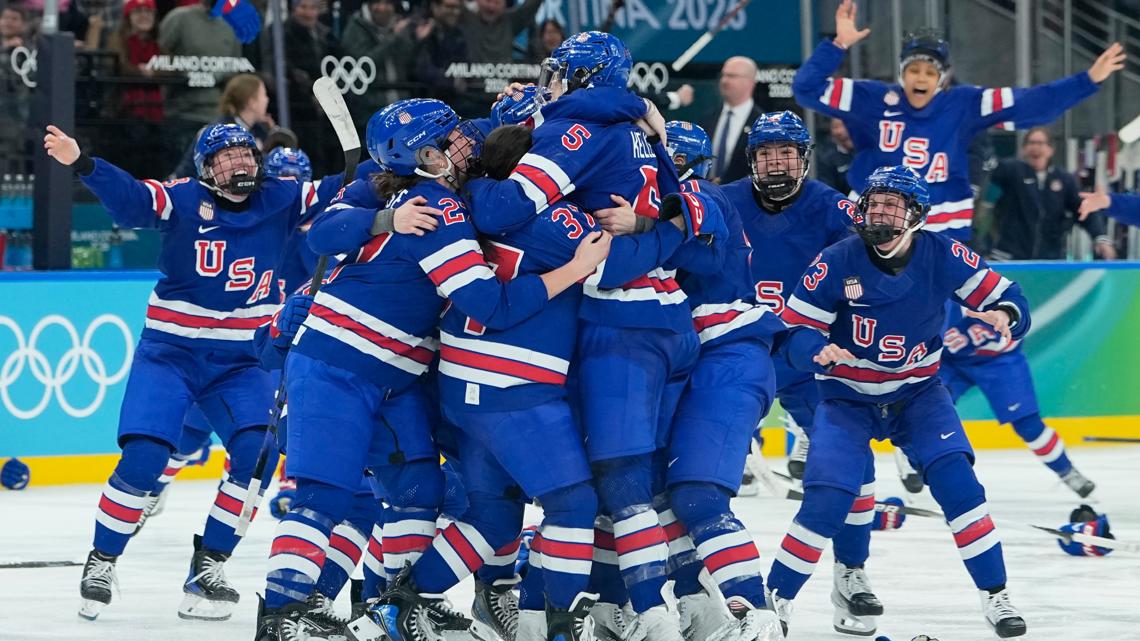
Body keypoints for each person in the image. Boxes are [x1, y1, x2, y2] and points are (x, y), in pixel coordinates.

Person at [253, 97, 610, 641]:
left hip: (397, 377)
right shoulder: (436, 210)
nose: (464, 144)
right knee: (323, 497)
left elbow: (324, 231)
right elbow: (489, 305)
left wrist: (534, 103)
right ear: (423, 155)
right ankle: (279, 618)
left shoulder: (420, 189)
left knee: (422, 489)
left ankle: (383, 607)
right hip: (339, 365)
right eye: (450, 140)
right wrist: (576, 268)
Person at [467, 31, 709, 640]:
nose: (549, 83)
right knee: (622, 485)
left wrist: (467, 181)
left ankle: (636, 613)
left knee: (591, 488)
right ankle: (609, 606)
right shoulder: (643, 129)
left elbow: (501, 211)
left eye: (559, 74)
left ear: (582, 78)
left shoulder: (575, 127)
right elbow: (695, 216)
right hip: (666, 320)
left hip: (606, 326)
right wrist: (657, 226)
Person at [44, 122, 310, 622]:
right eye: (226, 158)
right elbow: (131, 197)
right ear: (206, 170)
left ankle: (209, 564)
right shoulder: (182, 200)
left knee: (258, 455)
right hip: (170, 353)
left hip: (240, 362)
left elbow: (348, 190)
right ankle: (102, 559)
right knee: (147, 456)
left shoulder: (283, 197)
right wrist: (83, 163)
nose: (240, 164)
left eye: (245, 155)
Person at [770, 165, 1031, 639]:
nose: (881, 212)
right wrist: (815, 347)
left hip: (918, 394)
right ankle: (776, 604)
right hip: (846, 398)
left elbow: (1011, 296)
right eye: (875, 203)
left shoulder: (944, 253)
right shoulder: (836, 259)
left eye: (893, 204)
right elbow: (791, 332)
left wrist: (1005, 313)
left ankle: (996, 595)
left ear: (916, 216)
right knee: (827, 500)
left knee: (960, 487)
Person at [723, 111, 884, 636]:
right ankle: (698, 586)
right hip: (736, 355)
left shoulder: (838, 210)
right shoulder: (722, 202)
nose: (776, 161)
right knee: (697, 476)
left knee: (857, 470)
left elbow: (879, 269)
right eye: (766, 152)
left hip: (811, 359)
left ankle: (851, 574)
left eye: (786, 152)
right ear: (752, 158)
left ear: (804, 158)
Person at [793, 0, 1125, 241]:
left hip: (941, 224)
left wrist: (1087, 80)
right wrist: (837, 45)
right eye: (913, 70)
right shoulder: (871, 98)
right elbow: (806, 89)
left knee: (936, 324)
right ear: (901, 73)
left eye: (929, 71)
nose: (920, 78)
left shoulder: (966, 103)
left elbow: (1031, 104)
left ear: (943, 78)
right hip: (873, 220)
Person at [660, 120, 786, 641]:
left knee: (696, 497)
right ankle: (694, 602)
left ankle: (756, 614)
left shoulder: (699, 194)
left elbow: (679, 237)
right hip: (696, 361)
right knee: (659, 497)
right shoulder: (691, 191)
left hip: (728, 356)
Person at [987, 127, 1114, 260]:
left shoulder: (1064, 179)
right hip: (1008, 257)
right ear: (1024, 149)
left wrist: (1100, 238)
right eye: (1031, 143)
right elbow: (989, 175)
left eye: (1040, 143)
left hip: (1049, 259)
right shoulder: (1010, 171)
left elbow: (1084, 209)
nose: (1035, 148)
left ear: (1050, 149)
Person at [158, 0, 243, 174]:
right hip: (183, 114)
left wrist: (217, 77)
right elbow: (159, 58)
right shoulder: (179, 18)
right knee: (182, 180)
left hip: (219, 118)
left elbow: (236, 68)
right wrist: (187, 73)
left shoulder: (232, 25)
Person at [172, 74, 274, 178]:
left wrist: (274, 132)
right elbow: (185, 172)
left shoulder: (260, 130)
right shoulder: (215, 133)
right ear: (252, 102)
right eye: (264, 94)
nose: (267, 99)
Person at [339, 0, 415, 109]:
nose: (382, 8)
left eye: (388, 3)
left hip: (401, 105)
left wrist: (417, 39)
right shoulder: (355, 28)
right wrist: (393, 38)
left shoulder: (399, 25)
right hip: (369, 108)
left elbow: (410, 64)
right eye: (377, 2)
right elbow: (364, 66)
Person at [702, 56, 761, 184]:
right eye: (723, 75)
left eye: (731, 76)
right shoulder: (707, 119)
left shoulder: (761, 123)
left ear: (750, 82)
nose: (724, 81)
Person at [460, 0, 544, 63]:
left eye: (496, 2)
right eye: (488, 1)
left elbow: (531, 5)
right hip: (472, 83)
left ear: (504, 3)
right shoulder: (467, 19)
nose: (491, 7)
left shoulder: (511, 21)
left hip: (504, 83)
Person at [815, 117, 853, 195]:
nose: (840, 131)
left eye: (844, 125)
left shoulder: (868, 154)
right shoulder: (827, 160)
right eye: (835, 127)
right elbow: (828, 192)